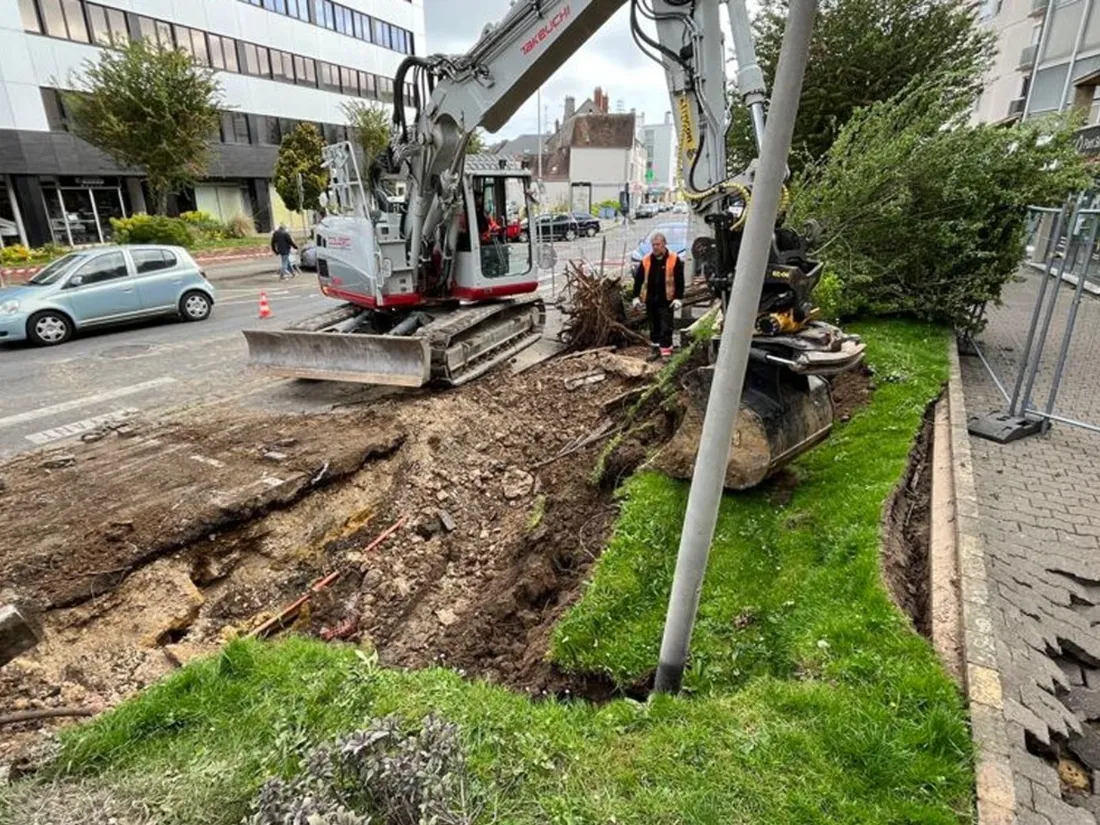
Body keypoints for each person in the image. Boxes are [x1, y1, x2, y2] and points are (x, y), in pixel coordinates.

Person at [632, 232, 685, 361]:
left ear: (664, 244)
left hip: (667, 299)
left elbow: (679, 280)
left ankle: (666, 351)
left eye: (658, 244)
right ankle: (656, 348)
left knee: (666, 326)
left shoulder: (673, 259)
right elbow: (638, 279)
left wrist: (678, 298)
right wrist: (636, 296)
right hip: (651, 299)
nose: (655, 247)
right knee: (654, 325)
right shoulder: (646, 260)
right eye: (653, 245)